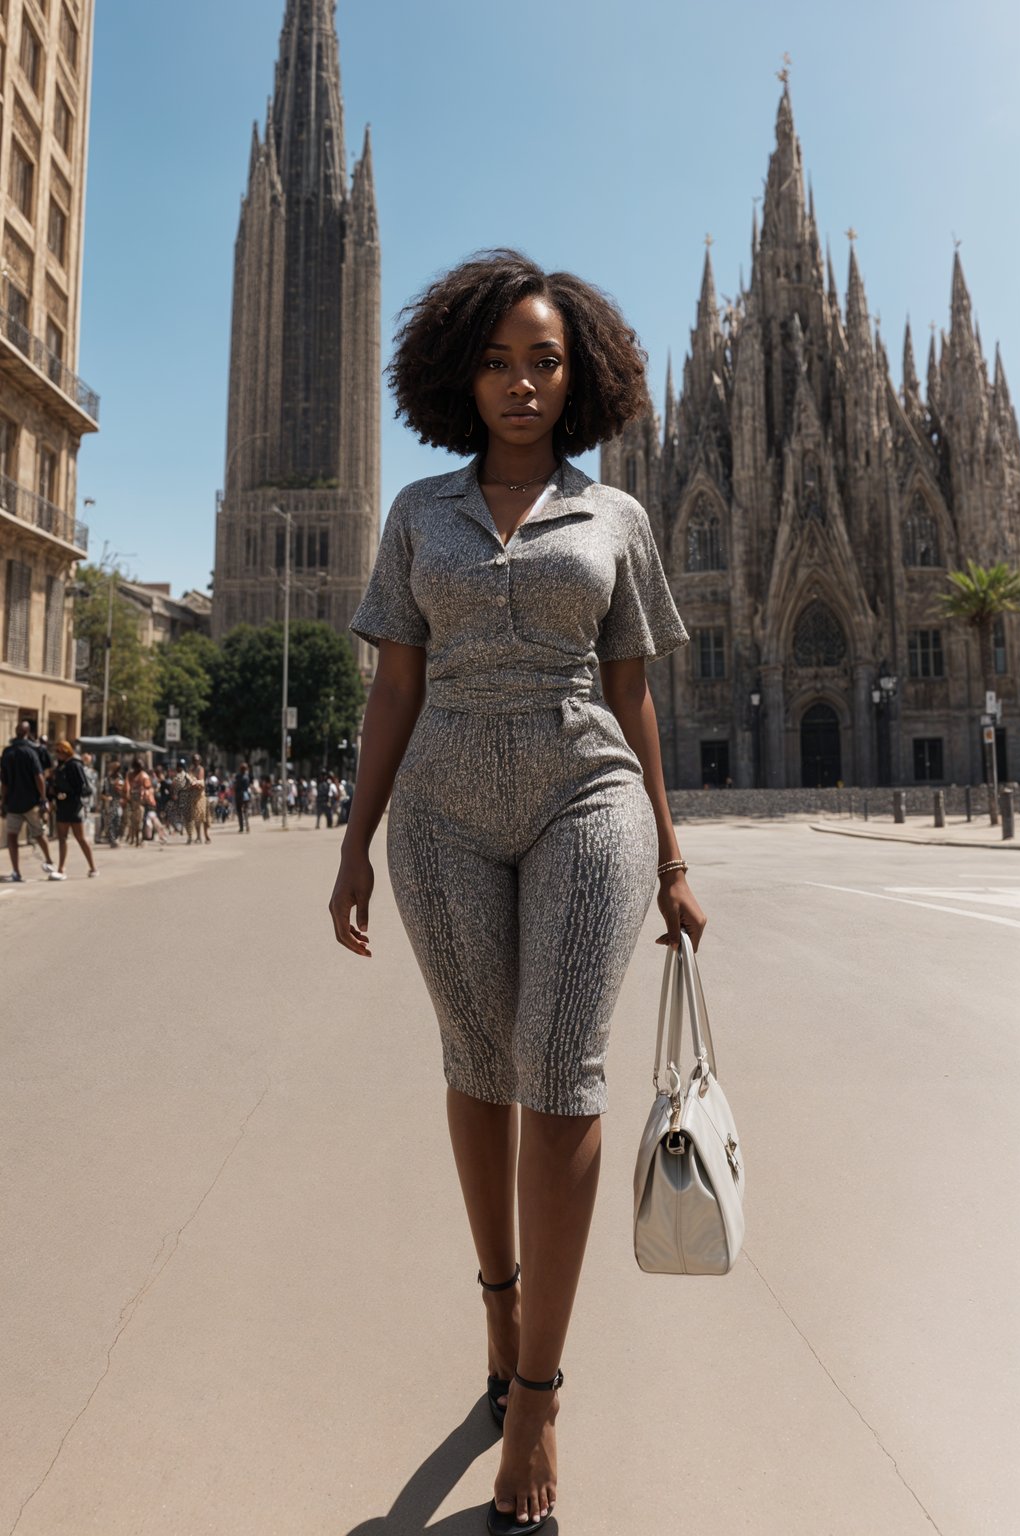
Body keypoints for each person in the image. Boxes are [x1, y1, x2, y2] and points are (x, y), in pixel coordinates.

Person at [328, 251, 706, 1536]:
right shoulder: (418, 514)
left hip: (581, 795)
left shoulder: (617, 520)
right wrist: (352, 839)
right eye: (496, 360)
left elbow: (634, 691)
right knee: (478, 1061)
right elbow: (393, 687)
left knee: (560, 1066)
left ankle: (537, 1391)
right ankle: (498, 1303)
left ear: (579, 374)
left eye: (543, 360)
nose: (521, 382)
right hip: (439, 809)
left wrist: (668, 853)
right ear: (459, 376)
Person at [1, 721, 55, 881]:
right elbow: (38, 777)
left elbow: (4, 781)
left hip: (13, 803)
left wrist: (3, 801)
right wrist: (43, 798)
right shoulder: (31, 752)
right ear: (28, 733)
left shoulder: (7, 752)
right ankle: (49, 861)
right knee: (39, 834)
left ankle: (16, 871)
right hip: (31, 802)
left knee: (12, 837)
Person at [48, 740, 98, 878]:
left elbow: (83, 788)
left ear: (66, 751)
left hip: (74, 806)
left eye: (59, 751)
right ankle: (61, 868)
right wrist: (55, 792)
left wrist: (68, 794)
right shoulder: (60, 766)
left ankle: (93, 867)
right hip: (62, 806)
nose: (57, 754)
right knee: (62, 838)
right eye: (56, 751)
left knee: (80, 838)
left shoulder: (75, 764)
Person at [233, 762, 252, 833]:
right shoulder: (247, 776)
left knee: (239, 811)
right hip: (245, 794)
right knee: (245, 811)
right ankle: (247, 826)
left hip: (239, 794)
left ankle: (241, 827)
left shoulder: (238, 776)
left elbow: (236, 785)